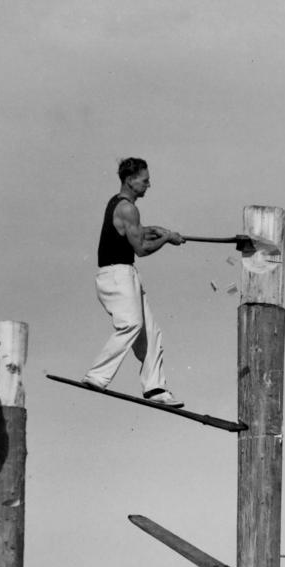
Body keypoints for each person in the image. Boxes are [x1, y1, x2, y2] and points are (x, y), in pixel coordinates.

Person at [82, 157, 186, 407]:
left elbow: (136, 232)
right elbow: (141, 248)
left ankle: (155, 388)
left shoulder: (122, 205)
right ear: (130, 180)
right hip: (116, 275)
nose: (149, 185)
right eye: (145, 180)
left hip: (126, 274)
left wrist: (160, 231)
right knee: (130, 324)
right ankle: (96, 376)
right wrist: (167, 239)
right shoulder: (128, 208)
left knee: (150, 331)